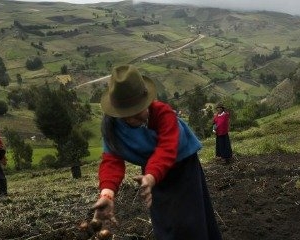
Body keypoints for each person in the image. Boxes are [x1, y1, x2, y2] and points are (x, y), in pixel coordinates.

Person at [91, 64, 222, 240]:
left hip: (183, 168)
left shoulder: (163, 113)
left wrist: (151, 176)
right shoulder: (112, 128)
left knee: (191, 219)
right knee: (165, 220)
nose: (136, 117)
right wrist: (107, 194)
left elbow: (167, 148)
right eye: (128, 114)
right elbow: (111, 161)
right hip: (152, 175)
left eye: (139, 110)